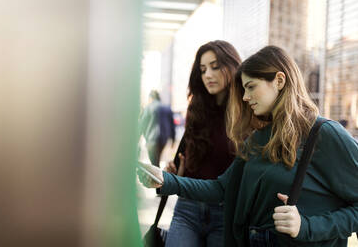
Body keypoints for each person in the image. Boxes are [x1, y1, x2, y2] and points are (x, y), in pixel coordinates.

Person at [138, 45, 358, 246]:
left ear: (279, 81)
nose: (244, 97)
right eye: (243, 89)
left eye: (251, 87)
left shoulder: (324, 134)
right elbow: (222, 188)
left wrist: (307, 226)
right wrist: (165, 180)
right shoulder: (258, 138)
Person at [162, 40, 241, 247]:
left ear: (232, 66)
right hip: (187, 208)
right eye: (203, 69)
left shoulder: (247, 113)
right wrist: (178, 172)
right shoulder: (196, 110)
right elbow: (194, 159)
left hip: (225, 213)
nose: (207, 75)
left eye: (215, 67)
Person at [139, 90, 175, 167]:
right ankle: (158, 175)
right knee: (156, 160)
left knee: (154, 163)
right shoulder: (167, 108)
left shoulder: (148, 108)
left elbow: (142, 124)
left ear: (151, 98)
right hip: (164, 139)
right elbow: (172, 125)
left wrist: (137, 138)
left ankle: (157, 177)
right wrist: (173, 139)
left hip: (152, 139)